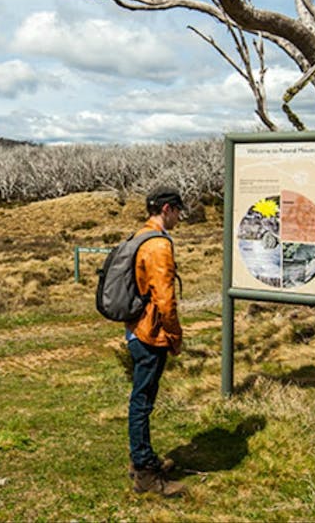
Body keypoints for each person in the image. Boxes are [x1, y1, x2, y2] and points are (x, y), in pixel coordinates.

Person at [125, 186, 186, 497]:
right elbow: (165, 299)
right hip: (150, 333)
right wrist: (175, 335)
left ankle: (142, 459)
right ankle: (145, 474)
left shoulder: (140, 235)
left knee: (141, 399)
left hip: (136, 327)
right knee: (143, 401)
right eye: (177, 211)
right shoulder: (159, 245)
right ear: (166, 209)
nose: (179, 217)